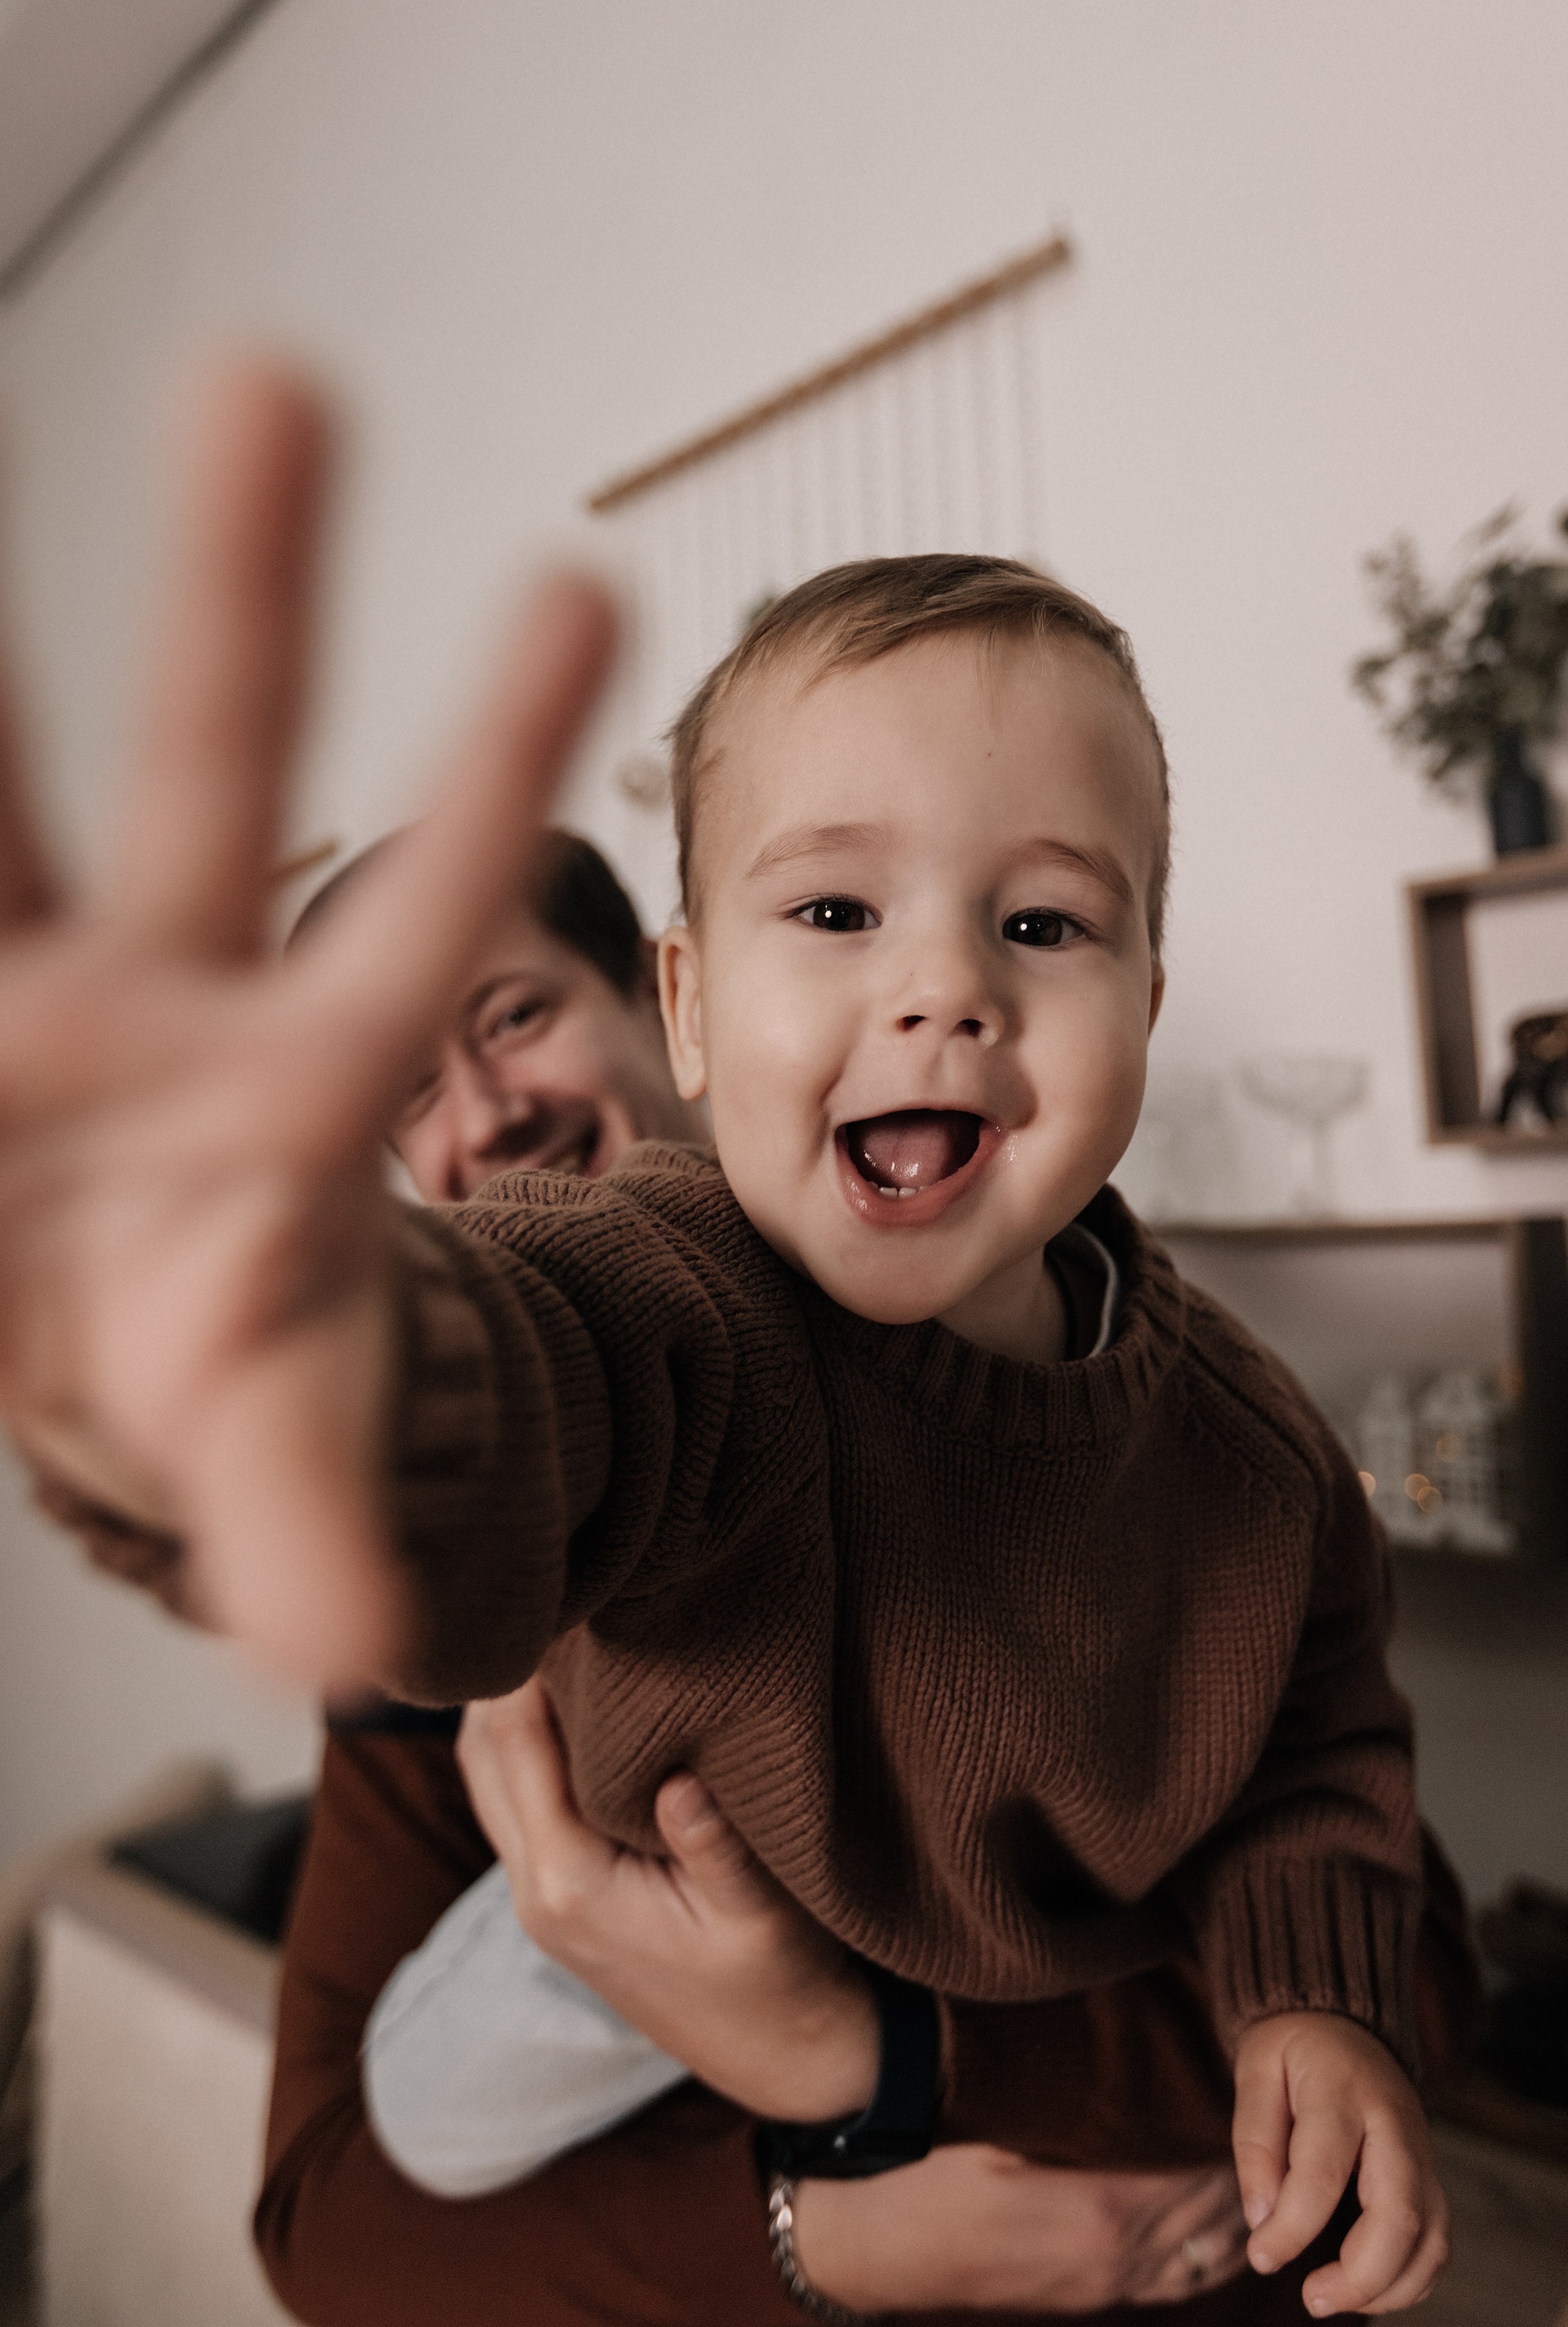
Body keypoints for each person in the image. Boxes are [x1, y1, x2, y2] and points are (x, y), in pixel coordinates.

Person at [2, 366, 1468, 2321]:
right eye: (838, 910)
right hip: (630, 1947)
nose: (941, 985)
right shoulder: (672, 1295)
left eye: (1042, 926)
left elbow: (1323, 1762)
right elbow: (542, 1355)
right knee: (435, 2093)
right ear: (702, 1003)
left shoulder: (1254, 1459)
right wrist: (295, 1378)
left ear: (1144, 994)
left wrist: (1299, 2003)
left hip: (1150, 2189)